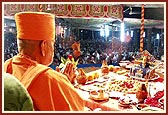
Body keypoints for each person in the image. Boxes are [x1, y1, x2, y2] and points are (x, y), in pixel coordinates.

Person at [4, 12, 84, 111]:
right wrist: (62, 84)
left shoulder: (5, 67)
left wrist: (63, 83)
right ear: (43, 46)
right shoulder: (50, 79)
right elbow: (79, 108)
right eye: (52, 44)